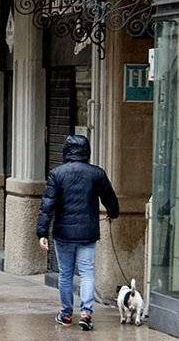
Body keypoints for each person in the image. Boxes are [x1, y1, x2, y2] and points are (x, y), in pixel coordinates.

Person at [36, 134, 119, 331]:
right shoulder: (97, 173)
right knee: (87, 273)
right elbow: (110, 198)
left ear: (66, 151)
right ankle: (86, 313)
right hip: (87, 232)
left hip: (63, 233)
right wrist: (113, 214)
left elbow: (47, 206)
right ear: (86, 151)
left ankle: (66, 315)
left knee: (65, 274)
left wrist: (41, 232)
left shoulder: (57, 174)